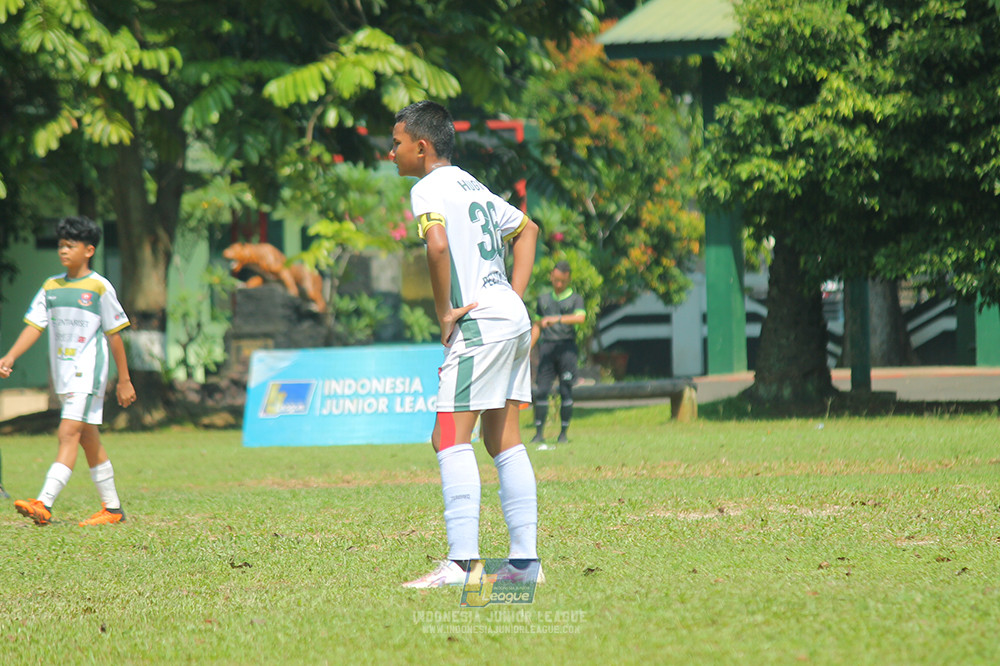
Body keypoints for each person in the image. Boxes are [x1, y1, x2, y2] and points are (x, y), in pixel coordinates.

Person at [389, 101, 543, 588]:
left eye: (395, 144)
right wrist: (510, 299)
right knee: (503, 440)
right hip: (509, 318)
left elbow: (436, 245)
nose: (390, 153)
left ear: (421, 146)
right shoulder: (470, 183)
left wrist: (445, 314)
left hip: (479, 322)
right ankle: (524, 565)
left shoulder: (428, 187)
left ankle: (462, 565)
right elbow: (527, 229)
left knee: (448, 438)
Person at [0, 216, 136, 526]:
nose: (63, 251)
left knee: (67, 433)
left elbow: (115, 335)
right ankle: (113, 509)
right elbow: (35, 326)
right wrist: (10, 356)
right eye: (60, 245)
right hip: (64, 375)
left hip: (87, 373)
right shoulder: (51, 287)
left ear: (89, 250)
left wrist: (124, 379)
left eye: (70, 246)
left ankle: (43, 503)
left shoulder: (99, 287)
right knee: (88, 438)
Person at [530, 261, 586, 444]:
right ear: (551, 278)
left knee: (565, 390)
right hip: (547, 348)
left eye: (562, 281)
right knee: (542, 391)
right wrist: (528, 347)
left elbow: (581, 317)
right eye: (555, 280)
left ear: (568, 278)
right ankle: (538, 434)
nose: (558, 284)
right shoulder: (544, 300)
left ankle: (563, 434)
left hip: (567, 348)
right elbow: (537, 325)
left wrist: (558, 319)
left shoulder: (575, 298)